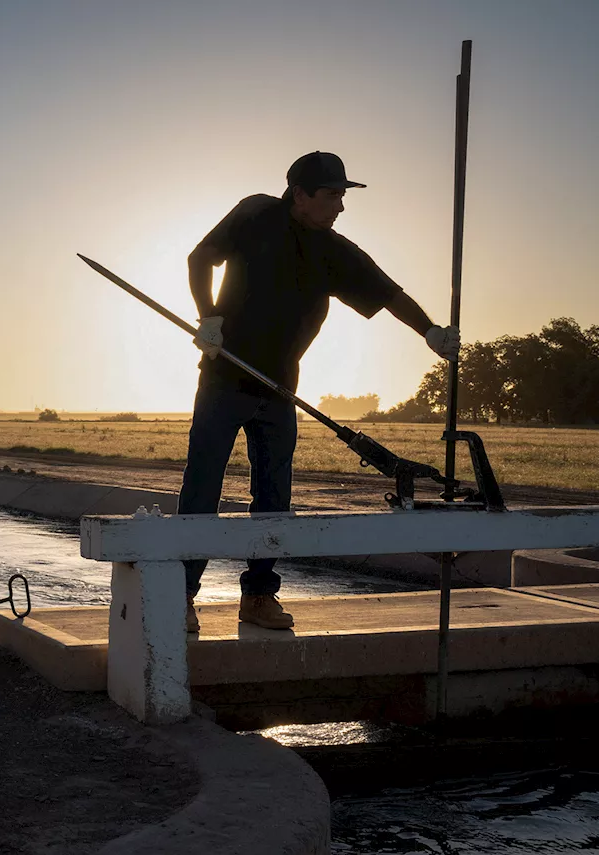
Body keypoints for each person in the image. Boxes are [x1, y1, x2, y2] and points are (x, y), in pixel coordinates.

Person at [180, 151, 459, 633]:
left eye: (342, 196)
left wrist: (431, 332)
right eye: (333, 195)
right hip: (225, 378)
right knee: (203, 487)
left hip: (279, 392)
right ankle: (179, 594)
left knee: (274, 497)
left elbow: (389, 293)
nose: (340, 206)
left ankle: (259, 596)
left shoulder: (335, 252)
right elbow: (201, 257)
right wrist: (209, 316)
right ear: (300, 193)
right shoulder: (256, 213)